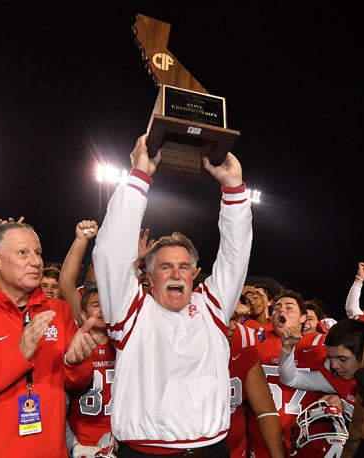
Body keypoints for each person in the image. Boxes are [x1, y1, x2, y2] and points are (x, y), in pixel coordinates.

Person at [92, 133, 253, 456]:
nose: (176, 274)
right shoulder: (130, 312)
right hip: (147, 451)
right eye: (165, 267)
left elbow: (235, 257)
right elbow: (110, 253)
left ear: (195, 274)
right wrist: (139, 178)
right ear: (148, 277)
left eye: (183, 267)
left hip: (212, 448)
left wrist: (234, 188)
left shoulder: (212, 306)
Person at [0, 220, 99, 457]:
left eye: (38, 252)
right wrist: (18, 355)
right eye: (23, 253)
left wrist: (76, 364)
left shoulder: (58, 311)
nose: (36, 261)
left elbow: (77, 385)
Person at [246, 289, 328, 457]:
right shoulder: (253, 339)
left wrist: (336, 396)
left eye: (289, 307)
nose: (281, 310)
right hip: (262, 444)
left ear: (303, 317)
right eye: (277, 307)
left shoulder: (322, 345)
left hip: (307, 444)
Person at [60, 219, 117, 456]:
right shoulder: (76, 339)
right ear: (82, 313)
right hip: (81, 443)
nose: (102, 309)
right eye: (96, 305)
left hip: (120, 440)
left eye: (107, 304)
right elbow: (66, 283)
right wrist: (81, 240)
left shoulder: (124, 339)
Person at [226, 299, 286, 458]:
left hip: (236, 450)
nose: (233, 327)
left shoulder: (245, 339)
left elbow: (266, 412)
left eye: (233, 319)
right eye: (226, 319)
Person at [278, 318, 364, 422]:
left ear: (362, 355)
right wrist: (287, 348)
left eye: (343, 359)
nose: (335, 365)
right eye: (331, 358)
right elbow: (291, 378)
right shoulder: (334, 374)